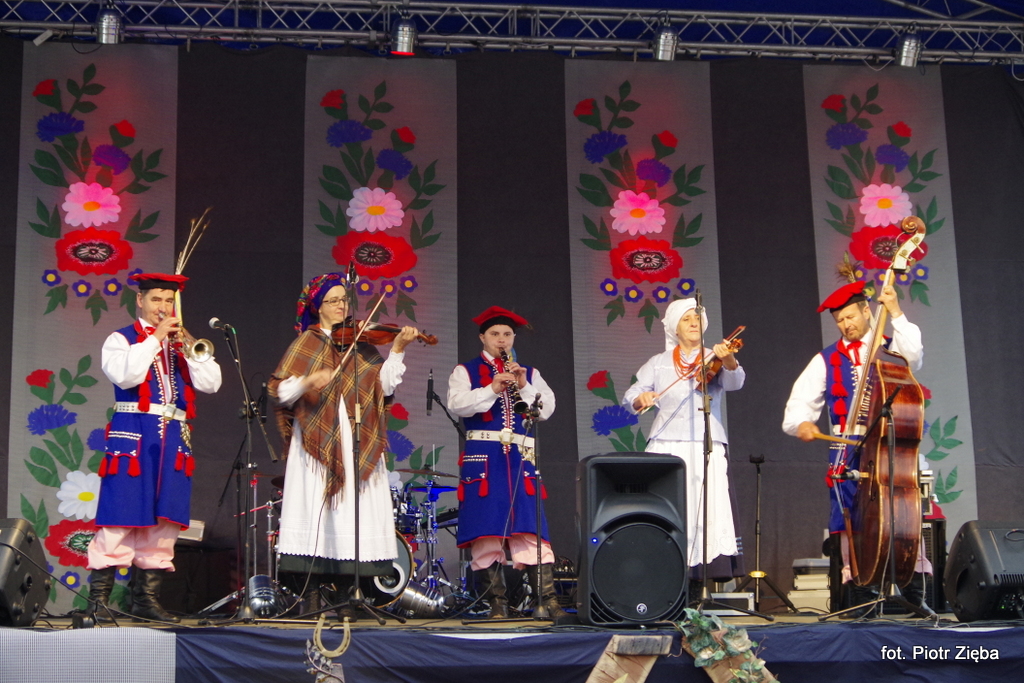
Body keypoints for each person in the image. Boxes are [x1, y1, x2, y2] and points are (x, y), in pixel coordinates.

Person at [268, 272, 419, 618]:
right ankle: (312, 598)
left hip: (356, 438)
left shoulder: (360, 344)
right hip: (316, 445)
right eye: (333, 300)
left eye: (343, 300)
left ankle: (350, 595)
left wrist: (397, 350)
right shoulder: (306, 342)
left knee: (354, 515)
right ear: (317, 307)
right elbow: (280, 390)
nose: (341, 306)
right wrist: (308, 380)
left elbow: (384, 388)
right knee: (317, 515)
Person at [782, 279, 933, 615]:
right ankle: (861, 589)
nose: (845, 324)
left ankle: (912, 585)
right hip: (845, 445)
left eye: (850, 316)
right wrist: (802, 423)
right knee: (850, 514)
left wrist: (895, 311)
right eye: (840, 320)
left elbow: (915, 356)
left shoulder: (890, 348)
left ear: (867, 311)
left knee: (901, 511)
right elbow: (798, 405)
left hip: (888, 443)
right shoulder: (826, 358)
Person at [85, 272, 223, 623]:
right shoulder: (121, 339)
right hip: (134, 432)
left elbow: (211, 384)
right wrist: (156, 338)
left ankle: (145, 601)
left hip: (173, 435)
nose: (163, 307)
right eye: (156, 299)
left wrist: (190, 349)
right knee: (121, 513)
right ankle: (98, 603)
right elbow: (125, 375)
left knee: (165, 519)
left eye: (168, 301)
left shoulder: (181, 343)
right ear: (140, 300)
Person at [447, 306, 564, 619]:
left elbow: (545, 410)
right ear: (482, 337)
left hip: (520, 458)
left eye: (507, 334)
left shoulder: (529, 373)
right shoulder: (465, 371)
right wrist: (491, 388)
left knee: (530, 528)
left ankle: (548, 603)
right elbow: (458, 404)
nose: (502, 340)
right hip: (485, 458)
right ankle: (497, 606)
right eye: (495, 334)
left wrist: (523, 385)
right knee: (486, 530)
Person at [623, 298, 744, 580]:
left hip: (705, 443)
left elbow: (735, 382)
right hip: (666, 444)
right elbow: (631, 396)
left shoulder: (713, 357)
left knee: (707, 505)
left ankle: (705, 576)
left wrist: (728, 358)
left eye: (697, 318)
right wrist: (641, 398)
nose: (693, 323)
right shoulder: (658, 363)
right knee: (670, 506)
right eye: (686, 319)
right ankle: (668, 572)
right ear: (675, 328)